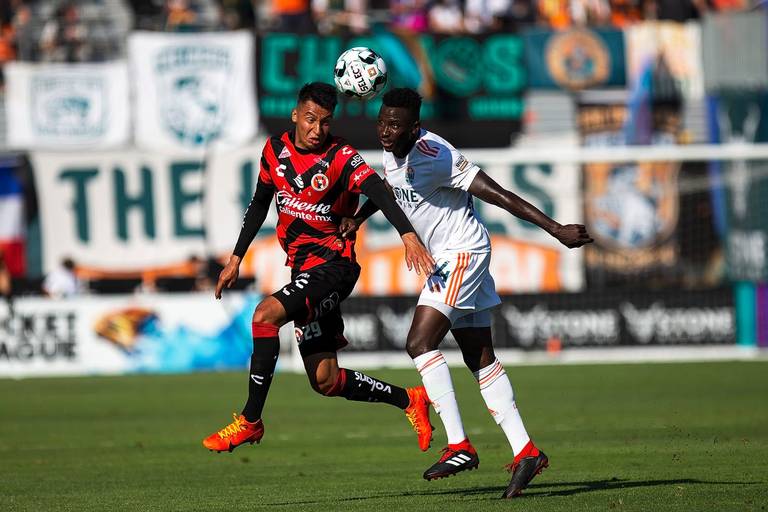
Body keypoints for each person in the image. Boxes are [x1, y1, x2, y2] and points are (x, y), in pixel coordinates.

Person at [339, 88, 593, 498]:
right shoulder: (391, 149)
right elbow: (391, 188)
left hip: (463, 254)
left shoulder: (436, 154)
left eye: (394, 126)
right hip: (448, 258)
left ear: (414, 128)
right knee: (480, 358)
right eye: (382, 122)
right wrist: (358, 217)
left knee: (419, 342)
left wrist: (555, 230)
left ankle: (459, 444)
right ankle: (526, 451)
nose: (385, 132)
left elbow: (500, 195)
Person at [203, 82, 436, 455]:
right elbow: (260, 203)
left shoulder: (341, 156)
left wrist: (407, 235)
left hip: (335, 268)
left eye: (325, 123)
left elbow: (379, 190)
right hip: (303, 271)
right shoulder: (274, 151)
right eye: (310, 120)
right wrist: (235, 258)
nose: (316, 130)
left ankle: (249, 421)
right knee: (326, 380)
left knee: (265, 315)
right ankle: (410, 399)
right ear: (296, 115)